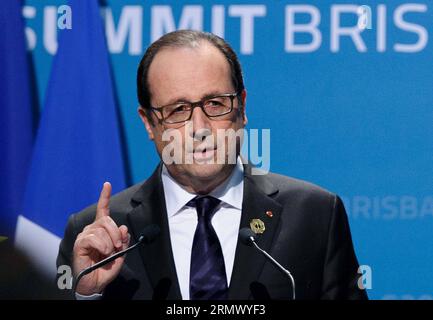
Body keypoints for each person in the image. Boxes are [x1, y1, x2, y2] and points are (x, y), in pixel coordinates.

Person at [56, 30, 367, 300]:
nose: (199, 127)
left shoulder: (315, 215)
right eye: (178, 110)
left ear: (242, 107)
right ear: (149, 123)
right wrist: (87, 295)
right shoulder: (96, 237)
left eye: (215, 104)